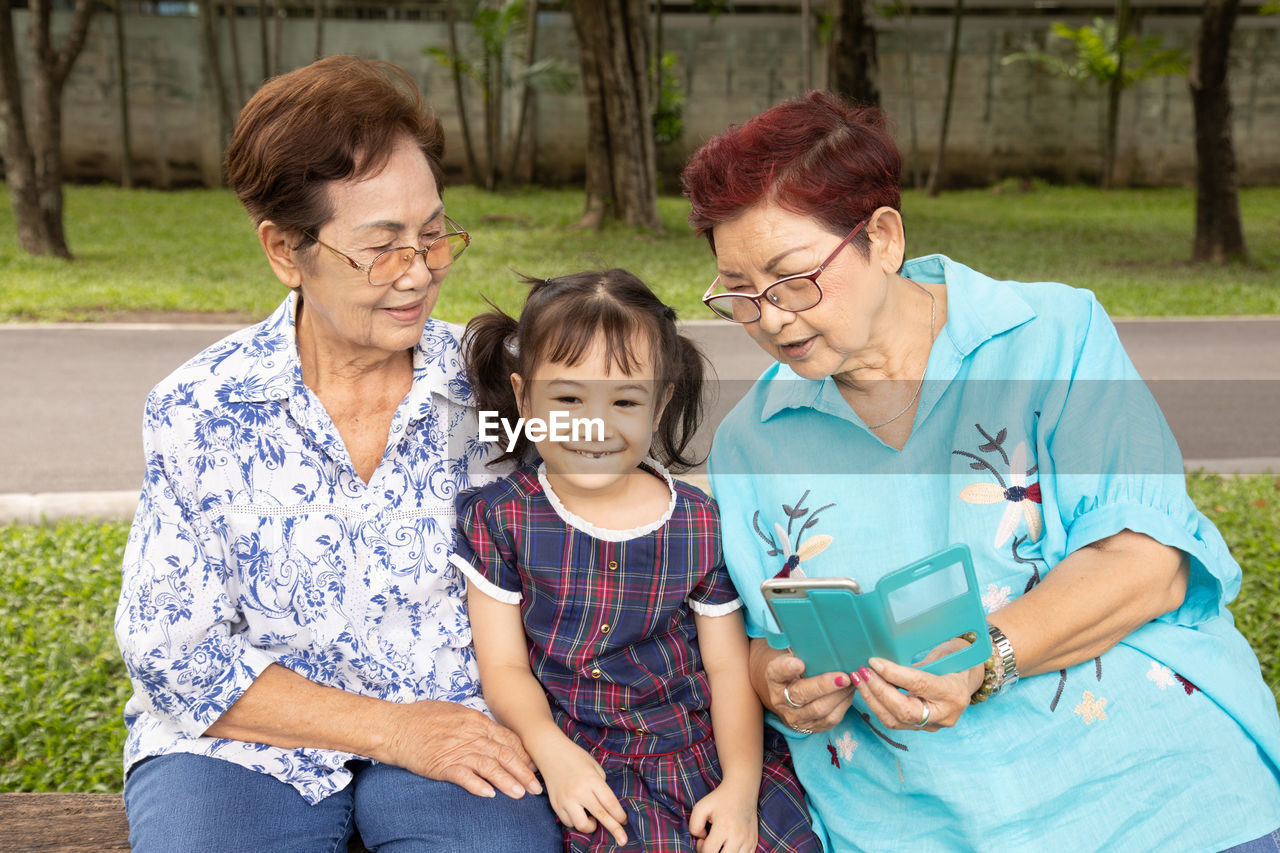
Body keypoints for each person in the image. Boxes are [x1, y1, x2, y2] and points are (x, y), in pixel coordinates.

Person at [681, 90, 1280, 852]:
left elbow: (1147, 562)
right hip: (907, 818)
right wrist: (781, 684)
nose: (768, 316)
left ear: (885, 238)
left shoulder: (1052, 336)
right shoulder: (750, 441)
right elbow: (759, 642)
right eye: (737, 291)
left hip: (1151, 788)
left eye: (792, 279)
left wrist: (984, 657)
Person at [114, 56, 560, 852]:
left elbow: (620, 518)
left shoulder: (502, 391)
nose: (419, 272)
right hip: (244, 742)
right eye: (382, 247)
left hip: (461, 726)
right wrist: (392, 729)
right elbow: (172, 653)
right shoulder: (201, 408)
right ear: (286, 251)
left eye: (432, 235)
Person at [451, 270, 823, 852]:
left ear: (659, 404)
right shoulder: (503, 519)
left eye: (624, 400)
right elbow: (503, 668)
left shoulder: (696, 521)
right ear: (524, 399)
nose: (593, 425)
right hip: (587, 761)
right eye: (568, 398)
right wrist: (552, 752)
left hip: (701, 753)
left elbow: (726, 670)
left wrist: (741, 788)